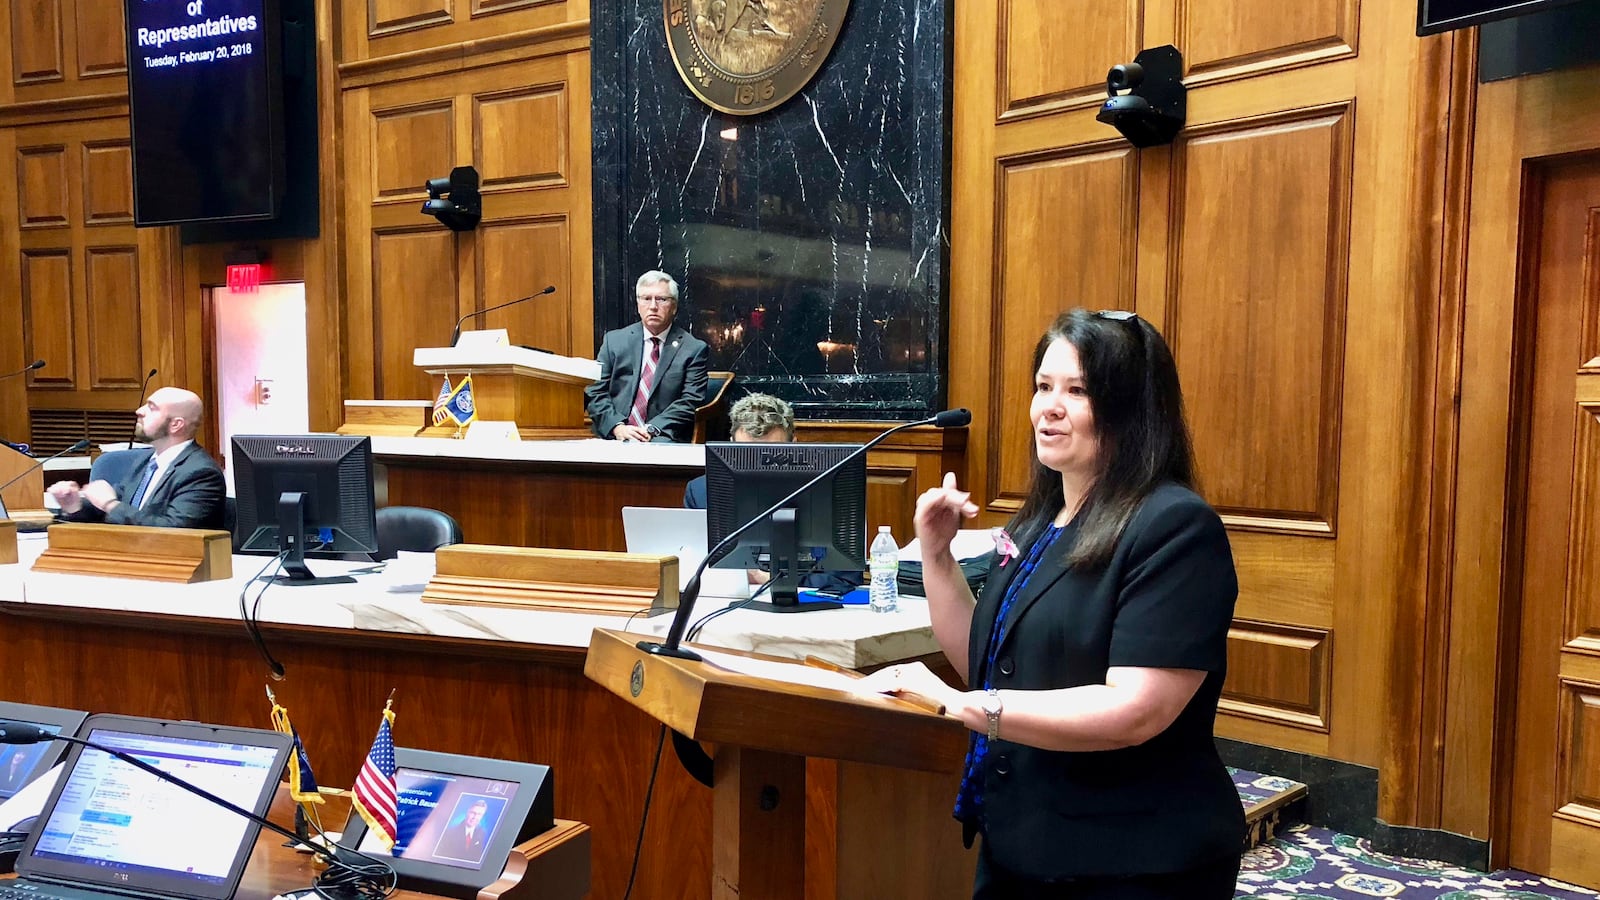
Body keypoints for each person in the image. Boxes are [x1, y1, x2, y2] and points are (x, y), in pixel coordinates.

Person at [869, 309, 1242, 898]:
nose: (1049, 406)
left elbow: (1136, 710)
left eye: (1078, 391)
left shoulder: (1174, 527)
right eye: (1043, 387)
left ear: (1130, 409)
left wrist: (965, 707)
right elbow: (987, 663)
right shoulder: (1041, 521)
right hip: (1022, 836)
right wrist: (937, 558)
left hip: (1130, 859)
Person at [682, 393, 862, 595]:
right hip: (726, 603)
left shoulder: (832, 493)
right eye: (747, 455)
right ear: (731, 443)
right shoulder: (701, 492)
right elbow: (695, 570)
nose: (758, 468)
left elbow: (846, 579)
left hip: (808, 609)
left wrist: (774, 579)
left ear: (793, 444)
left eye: (769, 455)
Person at [48, 387, 226, 530]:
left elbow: (174, 530)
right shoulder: (146, 461)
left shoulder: (201, 473)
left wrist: (110, 504)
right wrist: (74, 505)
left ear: (176, 425)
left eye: (151, 407)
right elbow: (111, 510)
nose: (139, 411)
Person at [584, 271, 709, 444]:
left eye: (661, 299)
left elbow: (691, 401)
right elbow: (595, 391)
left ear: (674, 306)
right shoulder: (614, 341)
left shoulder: (693, 349)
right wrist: (617, 426)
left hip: (661, 436)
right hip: (614, 434)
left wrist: (651, 429)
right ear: (637, 304)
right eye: (646, 298)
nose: (653, 306)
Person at [433, 797, 490, 862]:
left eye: (479, 814)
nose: (475, 817)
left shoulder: (482, 834)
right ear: (467, 812)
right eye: (473, 813)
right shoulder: (450, 833)